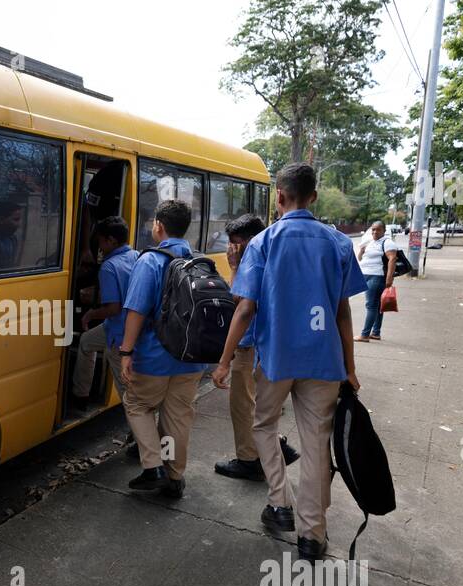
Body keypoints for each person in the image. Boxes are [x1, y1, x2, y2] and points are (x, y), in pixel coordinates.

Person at [213, 163, 366, 561]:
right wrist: (349, 366)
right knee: (317, 444)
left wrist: (224, 361)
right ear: (313, 196)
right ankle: (312, 535)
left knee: (263, 425)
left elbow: (246, 309)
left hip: (277, 359)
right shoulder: (338, 243)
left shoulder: (263, 244)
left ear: (278, 197)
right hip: (324, 360)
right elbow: (343, 312)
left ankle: (280, 502)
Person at [119, 200, 207, 499]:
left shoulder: (151, 261)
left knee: (138, 406)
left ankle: (153, 466)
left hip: (155, 357)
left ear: (158, 225)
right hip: (192, 357)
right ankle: (173, 476)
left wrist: (126, 352)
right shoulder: (199, 260)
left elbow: (136, 311)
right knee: (176, 419)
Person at [212, 214, 301, 481]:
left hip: (249, 343)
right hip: (270, 342)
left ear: (247, 240)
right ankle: (277, 444)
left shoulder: (254, 255)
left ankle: (249, 460)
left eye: (235, 243)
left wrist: (224, 361)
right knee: (258, 404)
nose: (231, 249)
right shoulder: (277, 252)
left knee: (242, 404)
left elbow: (241, 303)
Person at [71, 215, 137, 408]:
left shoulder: (108, 267)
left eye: (100, 240)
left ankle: (139, 433)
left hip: (119, 335)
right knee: (86, 342)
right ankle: (80, 395)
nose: (98, 246)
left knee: (126, 389)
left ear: (111, 241)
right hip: (129, 326)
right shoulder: (135, 255)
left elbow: (113, 308)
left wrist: (90, 314)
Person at [355, 220, 398, 342]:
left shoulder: (387, 242)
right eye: (373, 229)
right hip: (367, 276)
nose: (375, 231)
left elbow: (392, 259)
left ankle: (364, 335)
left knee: (371, 305)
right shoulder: (370, 242)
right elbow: (360, 258)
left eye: (378, 229)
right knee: (378, 305)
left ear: (384, 230)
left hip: (377, 277)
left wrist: (389, 278)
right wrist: (362, 251)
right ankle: (376, 333)